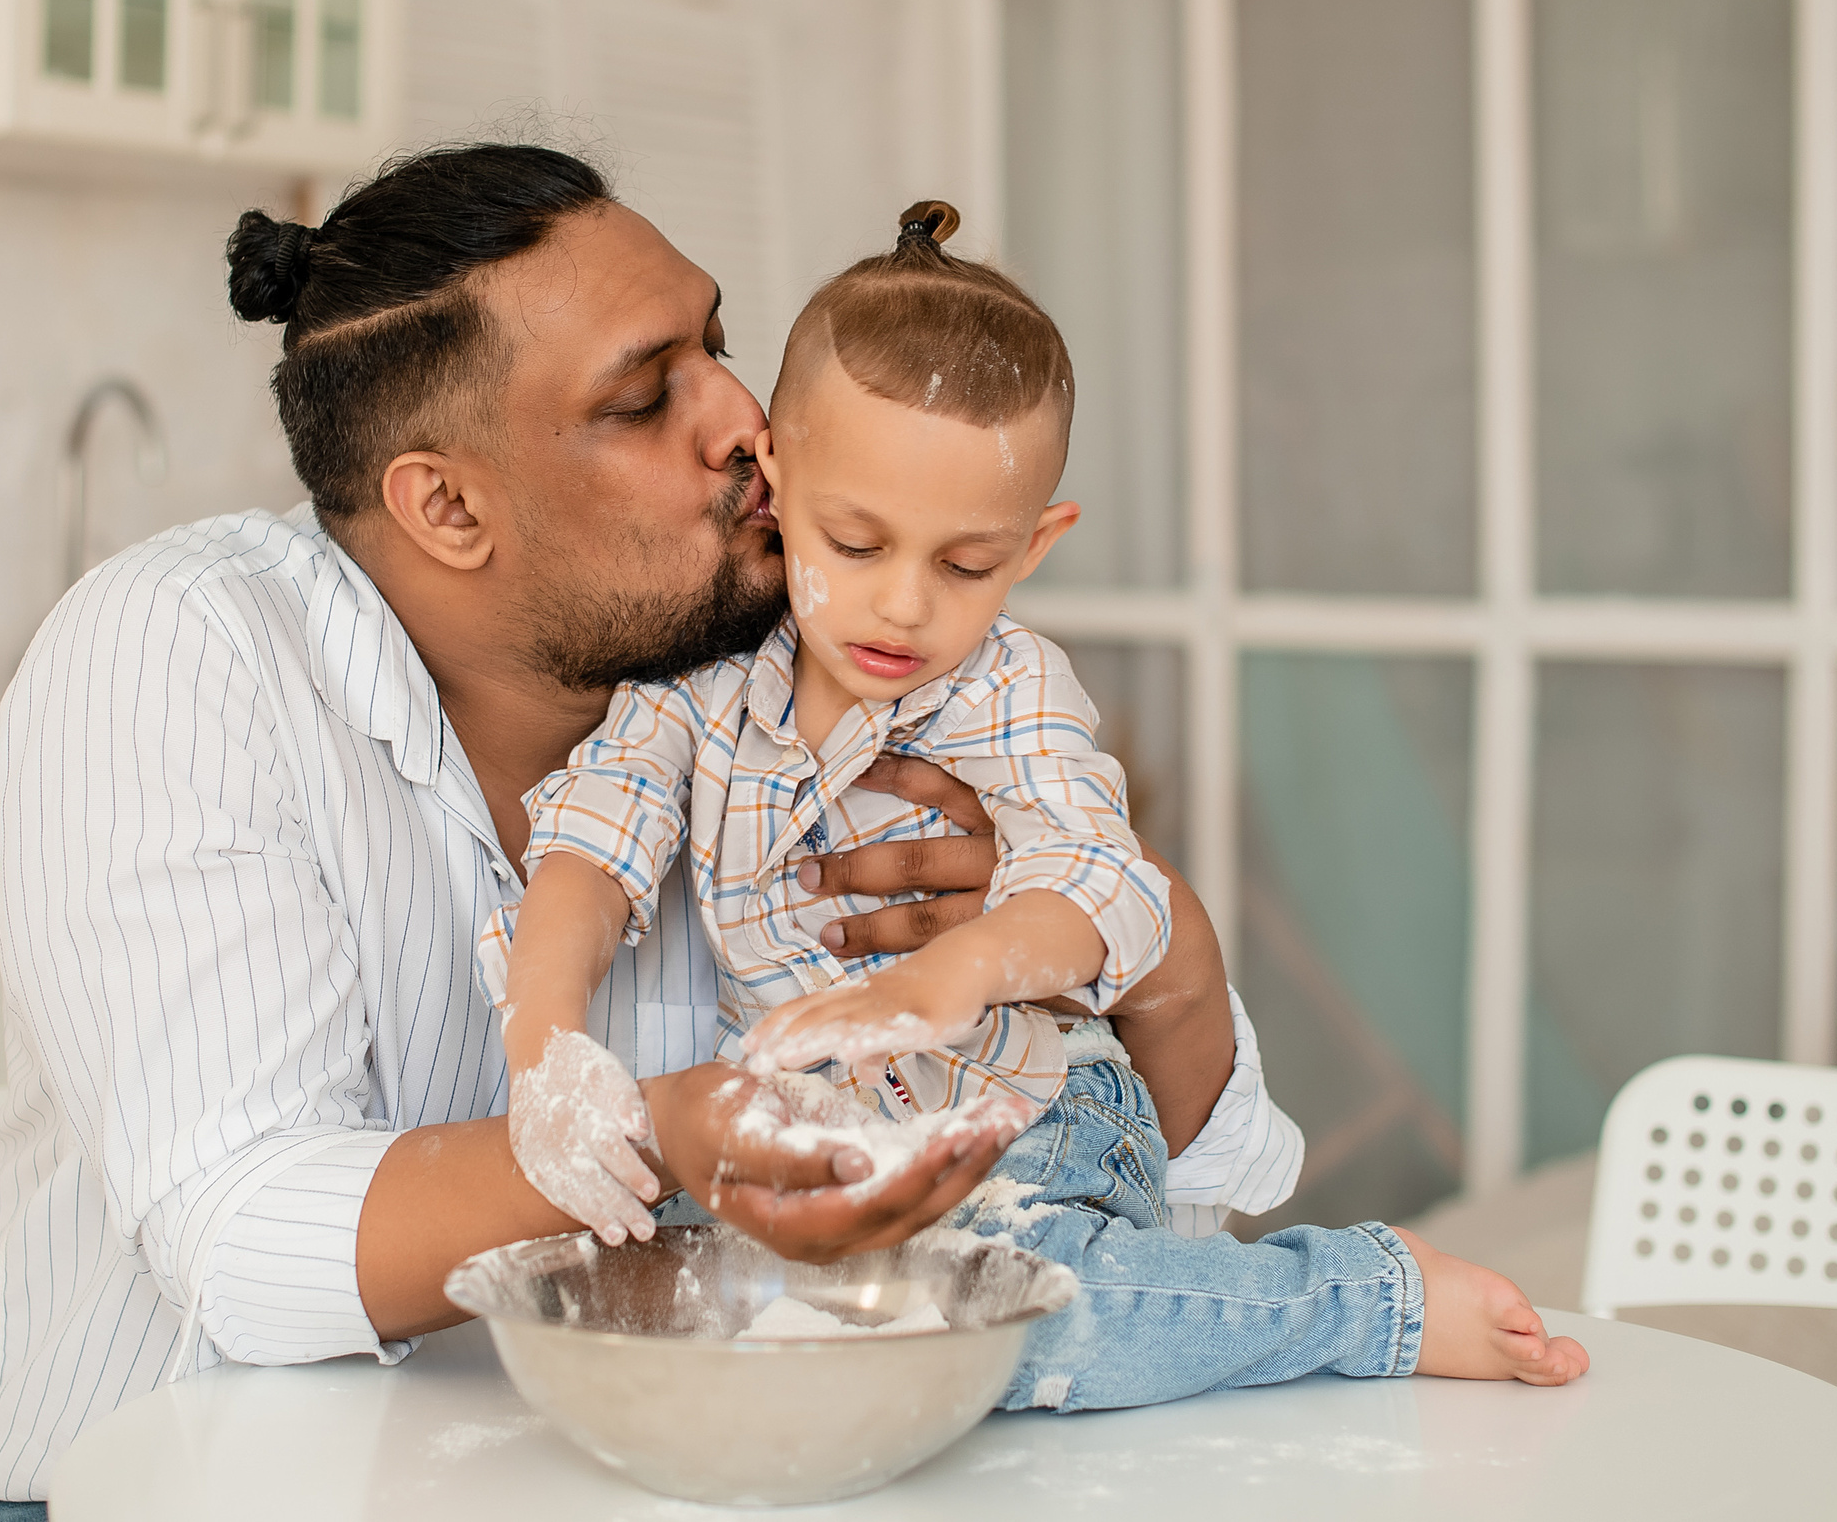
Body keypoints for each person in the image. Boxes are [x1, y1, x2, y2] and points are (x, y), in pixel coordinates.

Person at [0, 145, 1284, 1522]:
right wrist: (664, 1132)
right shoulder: (180, 653)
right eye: (643, 396)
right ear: (448, 504)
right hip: (122, 1482)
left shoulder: (776, 681)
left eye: (718, 344)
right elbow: (242, 1234)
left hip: (575, 1474)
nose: (745, 419)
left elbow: (1159, 1199)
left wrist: (1134, 950)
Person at [484, 200, 1591, 1410]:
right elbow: (589, 856)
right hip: (837, 1146)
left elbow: (1101, 886)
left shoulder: (1007, 689)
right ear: (774, 484)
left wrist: (944, 981)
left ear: (1034, 544)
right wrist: (547, 1047)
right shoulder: (698, 702)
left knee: (1024, 1335)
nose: (904, 608)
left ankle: (1370, 1296)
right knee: (731, 1323)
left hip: (1036, 1113)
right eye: (855, 544)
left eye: (964, 565)